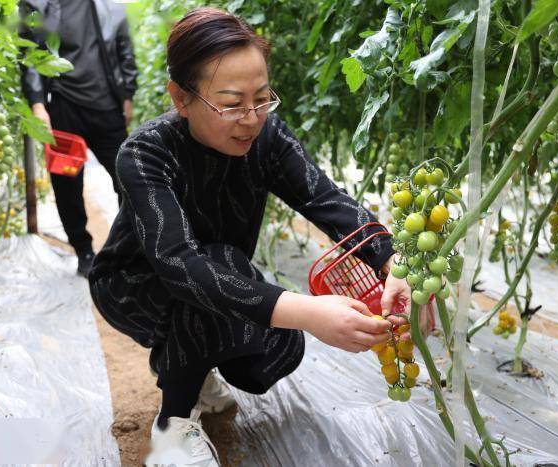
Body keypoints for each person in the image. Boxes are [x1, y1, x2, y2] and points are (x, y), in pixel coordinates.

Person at [88, 7, 420, 466]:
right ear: (181, 99)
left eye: (262, 98)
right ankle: (171, 432)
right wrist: (308, 312)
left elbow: (326, 199)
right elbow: (181, 264)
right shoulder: (146, 154)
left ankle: (185, 363)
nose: (251, 118)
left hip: (220, 270)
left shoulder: (266, 137)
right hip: (134, 285)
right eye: (230, 103)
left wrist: (394, 262)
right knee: (214, 273)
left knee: (263, 357)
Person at [19, 0, 138, 276]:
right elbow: (29, 55)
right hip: (63, 106)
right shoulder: (35, 3)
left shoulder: (109, 4)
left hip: (107, 105)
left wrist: (127, 93)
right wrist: (37, 103)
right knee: (67, 184)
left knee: (129, 177)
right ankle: (84, 250)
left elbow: (124, 45)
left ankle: (127, 245)